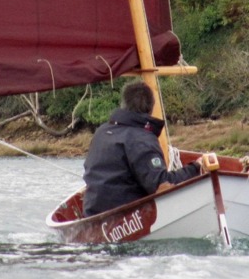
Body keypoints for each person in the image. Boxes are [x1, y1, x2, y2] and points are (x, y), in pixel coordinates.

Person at [82, 80, 209, 217]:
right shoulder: (141, 139)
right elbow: (161, 185)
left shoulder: (102, 131)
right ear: (151, 108)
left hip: (93, 212)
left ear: (124, 104)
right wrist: (196, 167)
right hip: (126, 218)